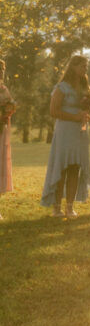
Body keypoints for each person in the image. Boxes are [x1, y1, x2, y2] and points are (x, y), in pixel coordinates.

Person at [41, 55, 90, 218]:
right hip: (64, 130)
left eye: (86, 66)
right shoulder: (62, 87)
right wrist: (75, 117)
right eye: (82, 65)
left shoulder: (87, 88)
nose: (85, 68)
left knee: (75, 167)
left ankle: (69, 207)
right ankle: (56, 207)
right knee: (62, 167)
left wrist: (87, 114)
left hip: (80, 132)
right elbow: (53, 111)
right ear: (73, 67)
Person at [0, 58, 16, 220]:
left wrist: (8, 111)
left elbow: (9, 105)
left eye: (2, 69)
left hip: (1, 131)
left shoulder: (4, 89)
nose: (0, 72)